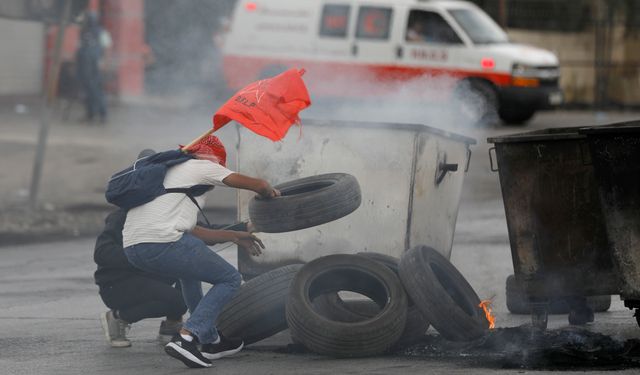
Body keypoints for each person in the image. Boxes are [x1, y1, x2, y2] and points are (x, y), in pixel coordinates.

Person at [122, 135, 280, 368]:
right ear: (213, 159)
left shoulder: (165, 177)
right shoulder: (200, 165)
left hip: (134, 249)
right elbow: (258, 185)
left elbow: (194, 233)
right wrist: (269, 193)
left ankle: (210, 340)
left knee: (190, 272)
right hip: (163, 243)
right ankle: (187, 337)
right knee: (229, 278)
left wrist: (235, 236)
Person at [95, 149, 187, 348]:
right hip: (118, 283)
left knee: (189, 268)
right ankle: (118, 317)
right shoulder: (123, 215)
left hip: (148, 275)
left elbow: (195, 233)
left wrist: (239, 230)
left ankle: (172, 326)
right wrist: (140, 256)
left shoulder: (165, 211)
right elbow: (102, 253)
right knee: (178, 300)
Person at [75, 11, 107, 124]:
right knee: (87, 91)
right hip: (84, 66)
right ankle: (90, 115)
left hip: (95, 66)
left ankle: (102, 115)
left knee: (97, 90)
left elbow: (107, 48)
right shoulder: (83, 32)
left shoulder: (101, 32)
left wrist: (103, 62)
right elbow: (78, 49)